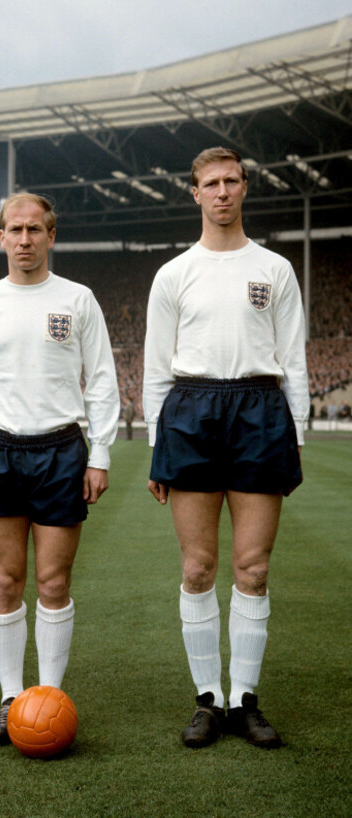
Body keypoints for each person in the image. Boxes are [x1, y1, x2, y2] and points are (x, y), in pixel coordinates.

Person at [143, 147, 309, 749]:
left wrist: (297, 428)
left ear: (245, 187)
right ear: (195, 193)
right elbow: (157, 367)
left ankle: (246, 700)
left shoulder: (275, 269)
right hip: (190, 411)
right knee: (197, 567)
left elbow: (293, 357)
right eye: (209, 183)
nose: (221, 192)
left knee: (254, 569)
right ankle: (207, 699)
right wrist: (158, 442)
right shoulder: (174, 273)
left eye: (230, 181)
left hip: (260, 411)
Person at [0, 192, 120, 745]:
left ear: (51, 235)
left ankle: (49, 696)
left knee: (53, 581)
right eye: (14, 230)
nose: (24, 239)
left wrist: (100, 454)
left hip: (61, 451)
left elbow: (104, 382)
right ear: (1, 237)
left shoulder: (78, 299)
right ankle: (10, 697)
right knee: (5, 580)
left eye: (34, 230)